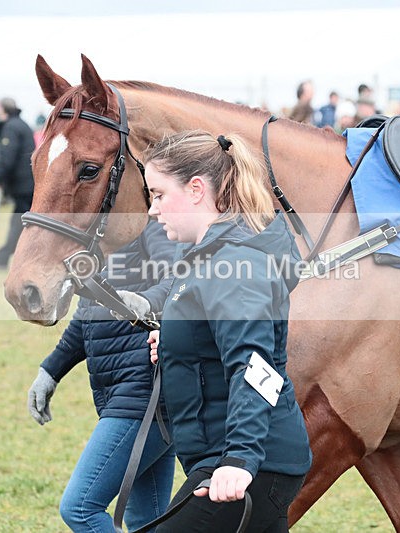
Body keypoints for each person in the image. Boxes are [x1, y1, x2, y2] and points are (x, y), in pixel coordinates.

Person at [142, 130, 312, 532]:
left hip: (248, 464)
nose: (152, 209)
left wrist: (239, 458)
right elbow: (219, 339)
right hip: (234, 459)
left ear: (196, 189)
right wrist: (176, 342)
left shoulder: (234, 265)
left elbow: (256, 368)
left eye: (159, 194)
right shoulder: (207, 257)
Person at [27, 219, 176, 532]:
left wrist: (146, 302)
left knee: (80, 507)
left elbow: (178, 280)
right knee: (145, 521)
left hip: (144, 394)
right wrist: (51, 370)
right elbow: (87, 313)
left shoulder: (154, 226)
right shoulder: (102, 239)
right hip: (123, 393)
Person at [0, 97, 35, 269]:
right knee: (23, 223)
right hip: (27, 182)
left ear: (3, 110)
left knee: (19, 224)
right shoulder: (20, 124)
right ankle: (5, 258)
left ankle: (3, 259)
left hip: (23, 184)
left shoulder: (11, 127)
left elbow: (7, 159)